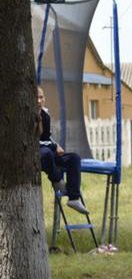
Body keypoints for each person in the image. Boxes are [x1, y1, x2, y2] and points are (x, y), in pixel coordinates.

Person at [37, 87, 89, 215]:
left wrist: (55, 144)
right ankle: (57, 180)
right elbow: (34, 141)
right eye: (36, 98)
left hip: (47, 149)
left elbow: (46, 137)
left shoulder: (45, 114)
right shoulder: (27, 115)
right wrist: (54, 147)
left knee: (74, 158)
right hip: (38, 153)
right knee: (47, 153)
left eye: (41, 97)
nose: (39, 100)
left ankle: (74, 198)